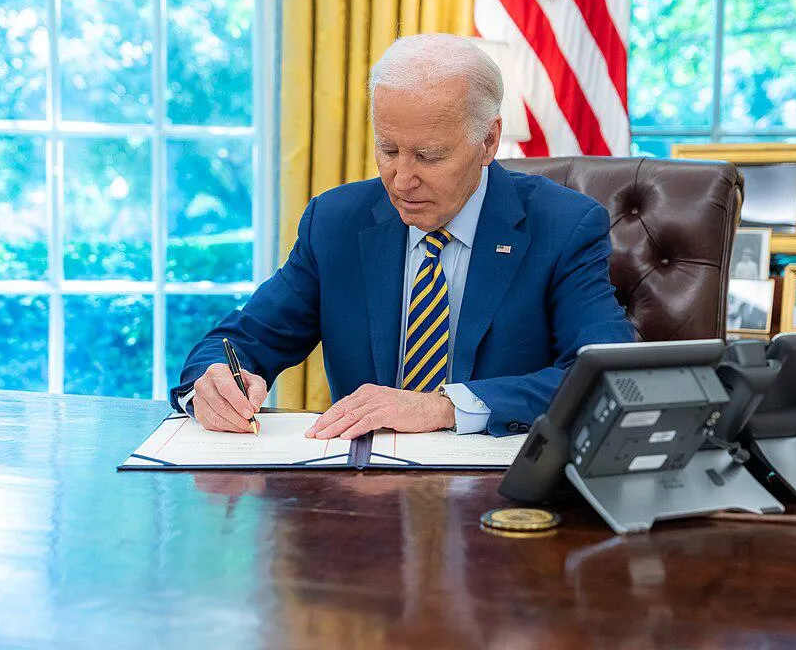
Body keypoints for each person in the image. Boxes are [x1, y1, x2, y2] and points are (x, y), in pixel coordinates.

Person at [170, 34, 634, 439]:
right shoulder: (336, 221)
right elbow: (243, 340)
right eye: (387, 149)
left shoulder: (563, 226)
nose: (401, 179)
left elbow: (606, 374)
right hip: (359, 498)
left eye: (429, 156)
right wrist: (210, 383)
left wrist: (445, 406)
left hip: (500, 499)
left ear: (489, 141)